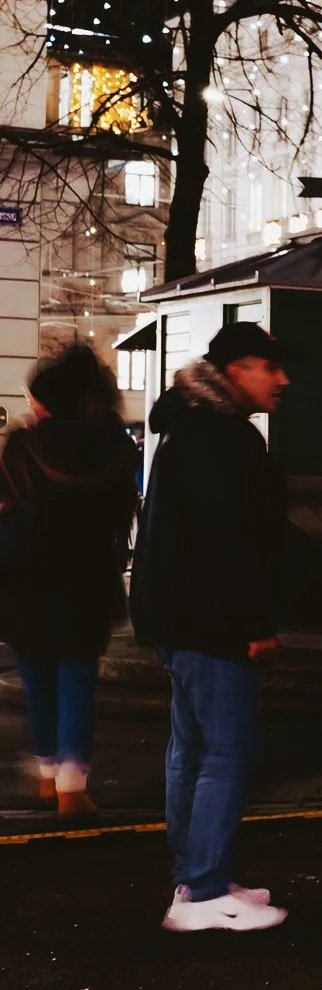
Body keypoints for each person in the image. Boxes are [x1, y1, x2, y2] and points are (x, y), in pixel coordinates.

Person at [130, 322, 293, 933]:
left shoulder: (187, 429)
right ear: (235, 371)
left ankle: (197, 876)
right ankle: (200, 891)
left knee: (191, 752)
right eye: (269, 367)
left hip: (179, 618)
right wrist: (254, 622)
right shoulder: (224, 438)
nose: (282, 379)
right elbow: (232, 544)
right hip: (212, 622)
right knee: (225, 753)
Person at [0, 344, 141, 824]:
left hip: (23, 585)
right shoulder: (111, 447)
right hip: (85, 583)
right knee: (76, 682)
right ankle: (72, 786)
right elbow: (121, 519)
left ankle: (45, 772)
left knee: (37, 682)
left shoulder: (22, 447)